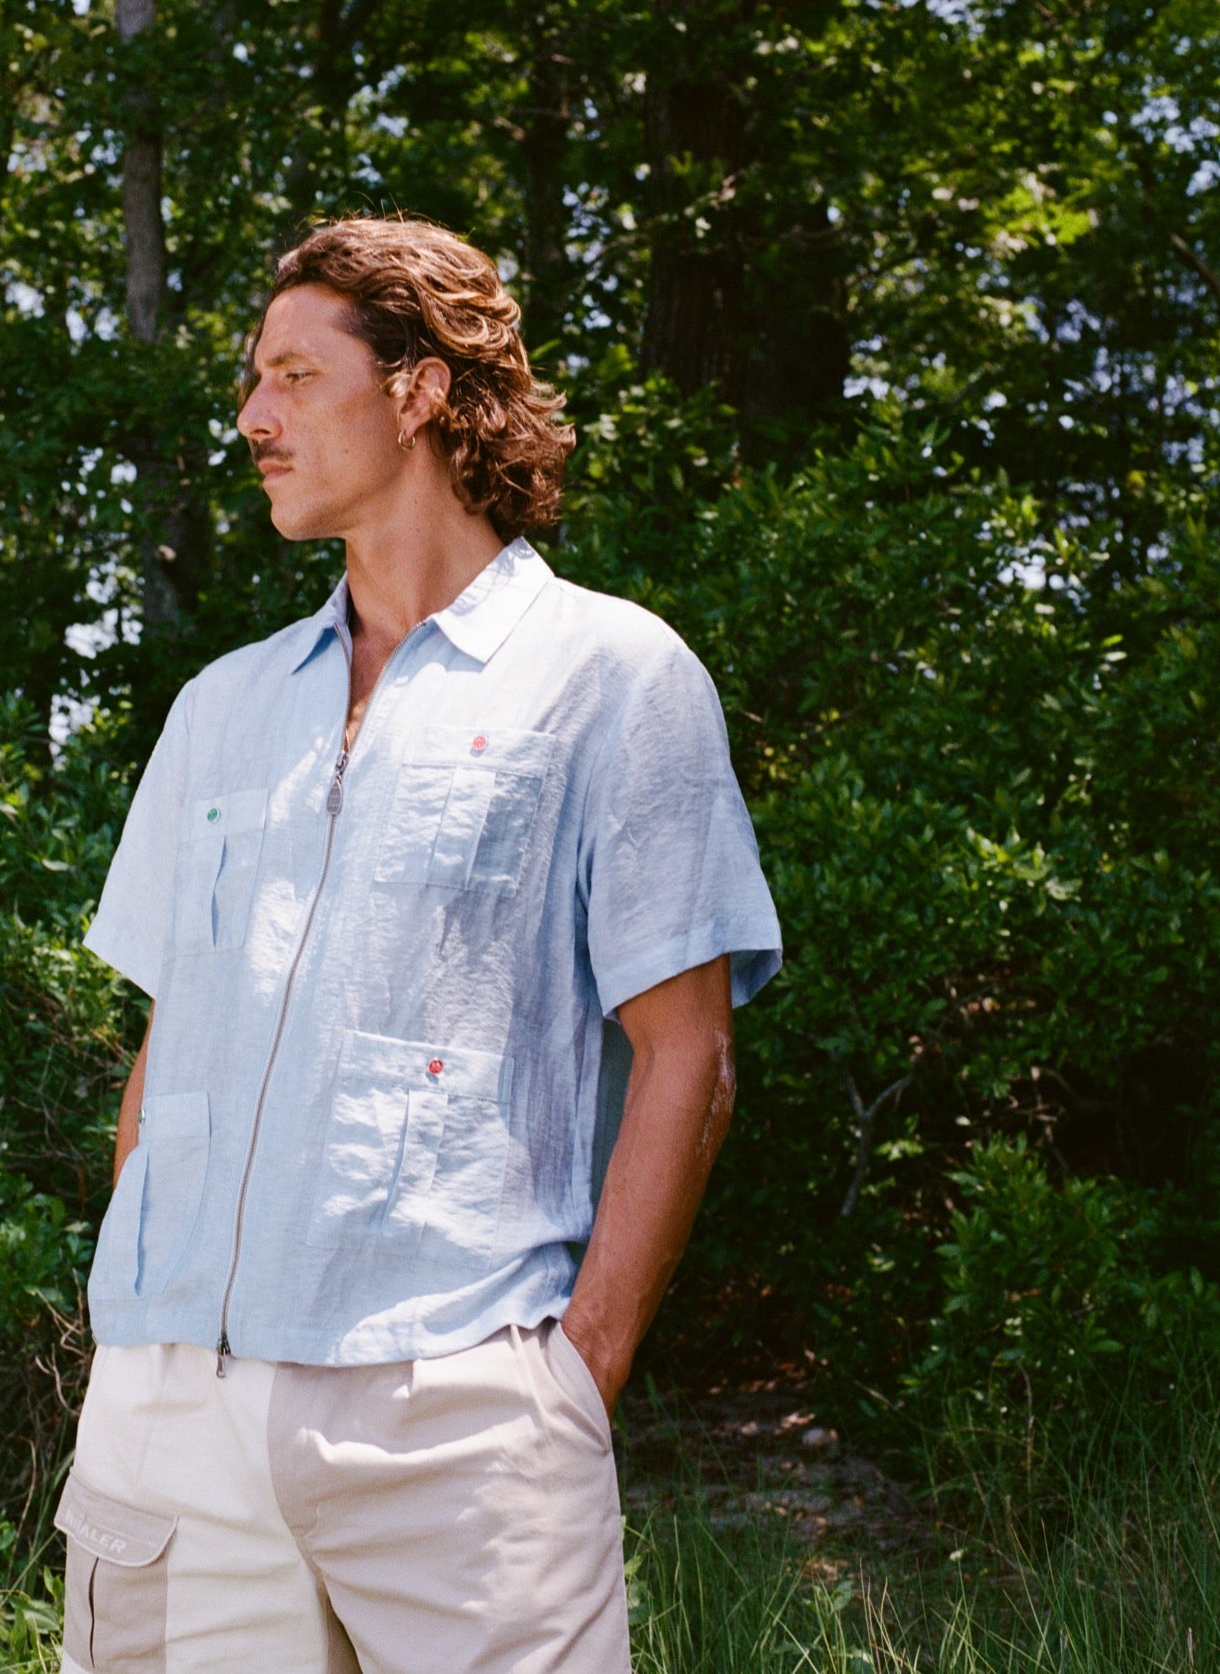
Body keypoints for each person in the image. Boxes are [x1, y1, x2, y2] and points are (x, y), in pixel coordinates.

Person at [57, 216, 782, 1674]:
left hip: (454, 1420)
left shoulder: (611, 677)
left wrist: (577, 1376)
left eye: (290, 377)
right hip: (171, 1412)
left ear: (420, 390)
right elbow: (167, 1043)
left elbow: (687, 1055)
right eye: (251, 384)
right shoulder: (220, 707)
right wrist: (136, 1343)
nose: (252, 418)